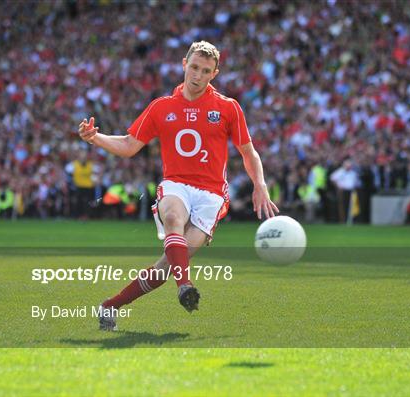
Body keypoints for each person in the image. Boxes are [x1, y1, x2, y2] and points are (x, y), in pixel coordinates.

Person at [78, 41, 279, 330]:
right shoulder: (161, 107)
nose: (197, 75)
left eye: (205, 71)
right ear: (184, 65)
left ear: (215, 74)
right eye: (194, 67)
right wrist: (95, 138)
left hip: (212, 196)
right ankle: (185, 286)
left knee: (168, 265)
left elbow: (249, 152)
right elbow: (129, 145)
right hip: (176, 185)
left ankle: (110, 305)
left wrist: (259, 184)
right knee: (173, 217)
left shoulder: (228, 108)